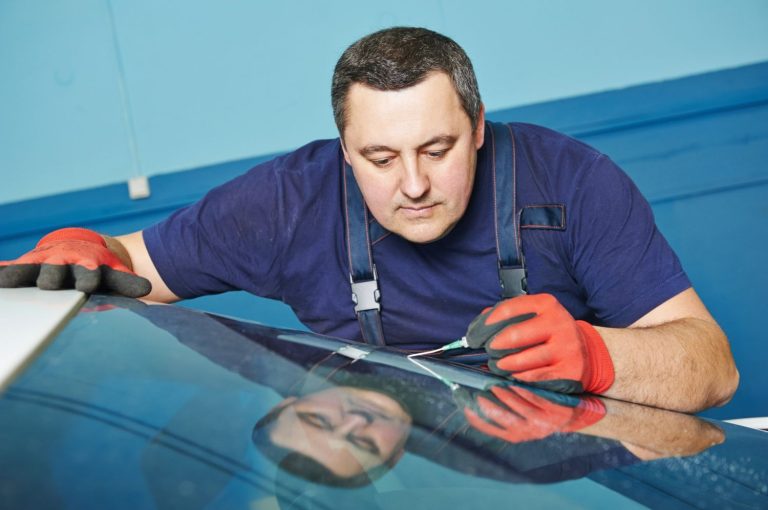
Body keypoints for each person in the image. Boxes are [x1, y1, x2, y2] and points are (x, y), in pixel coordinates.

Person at [0, 27, 738, 412]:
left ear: (479, 126)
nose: (413, 184)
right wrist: (86, 248)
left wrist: (597, 355)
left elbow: (715, 369)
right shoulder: (291, 200)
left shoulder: (573, 181)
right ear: (344, 151)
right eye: (379, 157)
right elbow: (128, 268)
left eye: (438, 148)